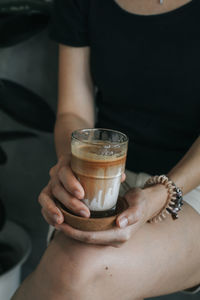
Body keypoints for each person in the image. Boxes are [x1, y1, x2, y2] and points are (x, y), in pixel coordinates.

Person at [12, 0, 200, 299]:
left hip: (190, 184)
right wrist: (67, 167)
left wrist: (162, 193)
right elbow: (74, 111)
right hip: (107, 174)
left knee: (77, 266)